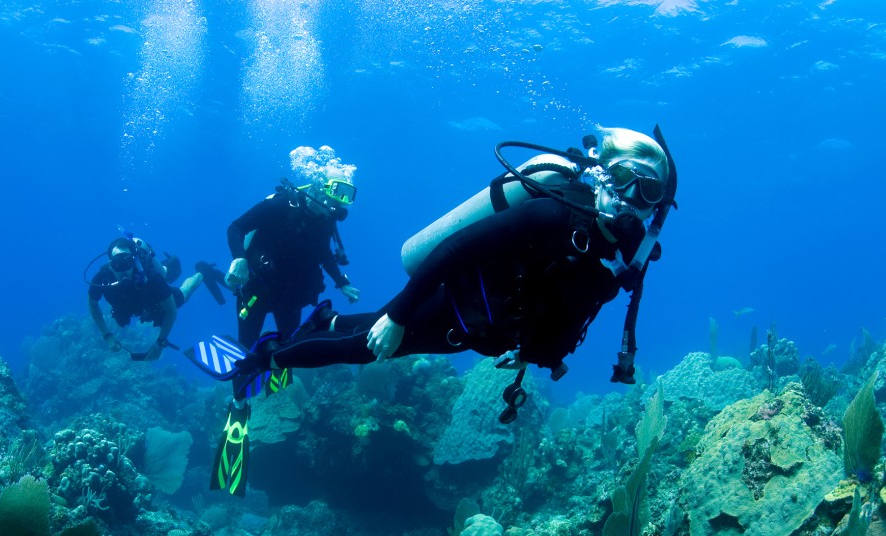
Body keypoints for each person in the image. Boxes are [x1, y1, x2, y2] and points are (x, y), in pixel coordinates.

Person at [194, 126, 676, 496]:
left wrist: (540, 351)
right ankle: (266, 359)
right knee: (366, 350)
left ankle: (326, 321)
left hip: (479, 332)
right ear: (602, 175)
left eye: (648, 191)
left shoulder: (627, 254)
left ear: (659, 207)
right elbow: (454, 249)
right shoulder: (555, 215)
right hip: (455, 306)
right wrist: (400, 315)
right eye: (623, 180)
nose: (632, 198)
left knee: (364, 333)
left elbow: (574, 303)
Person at [208, 174, 361, 496]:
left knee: (289, 345)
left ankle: (275, 387)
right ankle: (238, 403)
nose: (336, 208)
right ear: (320, 190)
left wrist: (341, 281)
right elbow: (235, 227)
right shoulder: (279, 205)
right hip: (258, 286)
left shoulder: (323, 222)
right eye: (334, 198)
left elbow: (324, 253)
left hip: (292, 294)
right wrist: (238, 257)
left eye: (344, 201)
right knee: (246, 348)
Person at [88, 236, 226, 361]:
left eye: (127, 262)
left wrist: (160, 343)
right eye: (118, 264)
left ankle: (202, 272)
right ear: (111, 264)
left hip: (154, 300)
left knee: (184, 294)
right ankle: (166, 267)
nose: (123, 270)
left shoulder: (152, 278)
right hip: (131, 305)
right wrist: (107, 335)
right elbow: (93, 304)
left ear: (135, 262)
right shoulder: (102, 277)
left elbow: (171, 311)